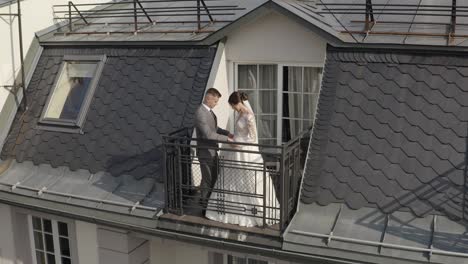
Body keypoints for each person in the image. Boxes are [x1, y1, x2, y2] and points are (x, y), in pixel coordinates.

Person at [205, 91, 279, 227]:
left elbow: (253, 137)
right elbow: (239, 131)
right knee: (230, 178)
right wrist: (233, 137)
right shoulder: (240, 113)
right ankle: (228, 209)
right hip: (235, 149)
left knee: (248, 179)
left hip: (244, 150)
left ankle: (255, 211)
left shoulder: (249, 115)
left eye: (232, 106)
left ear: (235, 103)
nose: (232, 108)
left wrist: (239, 142)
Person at [194, 88, 234, 215]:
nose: (216, 104)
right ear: (208, 98)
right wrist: (227, 139)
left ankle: (204, 201)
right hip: (205, 152)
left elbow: (215, 128)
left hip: (212, 151)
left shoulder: (209, 112)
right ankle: (205, 208)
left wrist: (227, 133)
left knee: (210, 178)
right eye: (215, 101)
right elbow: (208, 134)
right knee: (208, 180)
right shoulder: (200, 112)